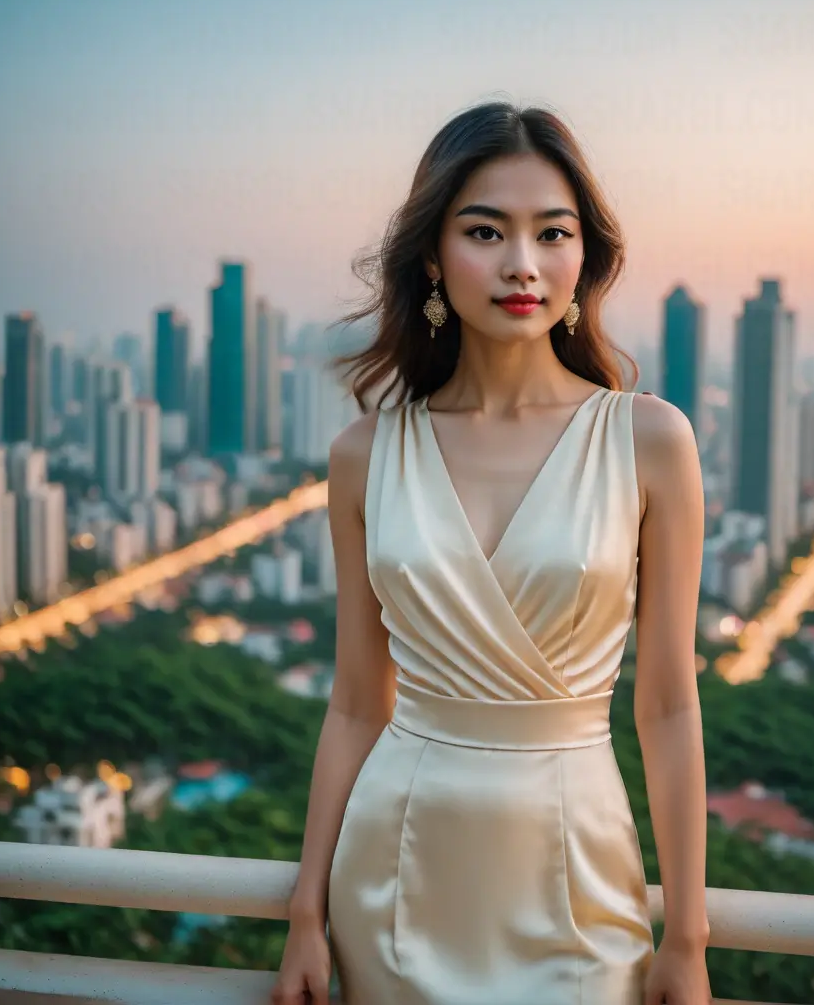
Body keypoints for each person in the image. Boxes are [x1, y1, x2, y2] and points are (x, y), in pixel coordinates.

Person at [270, 99, 711, 1005]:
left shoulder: (650, 441)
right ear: (433, 255)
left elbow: (666, 707)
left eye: (553, 234)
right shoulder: (365, 455)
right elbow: (357, 702)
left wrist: (689, 937)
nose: (522, 264)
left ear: (585, 258)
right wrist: (306, 915)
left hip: (578, 877)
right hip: (396, 872)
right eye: (485, 231)